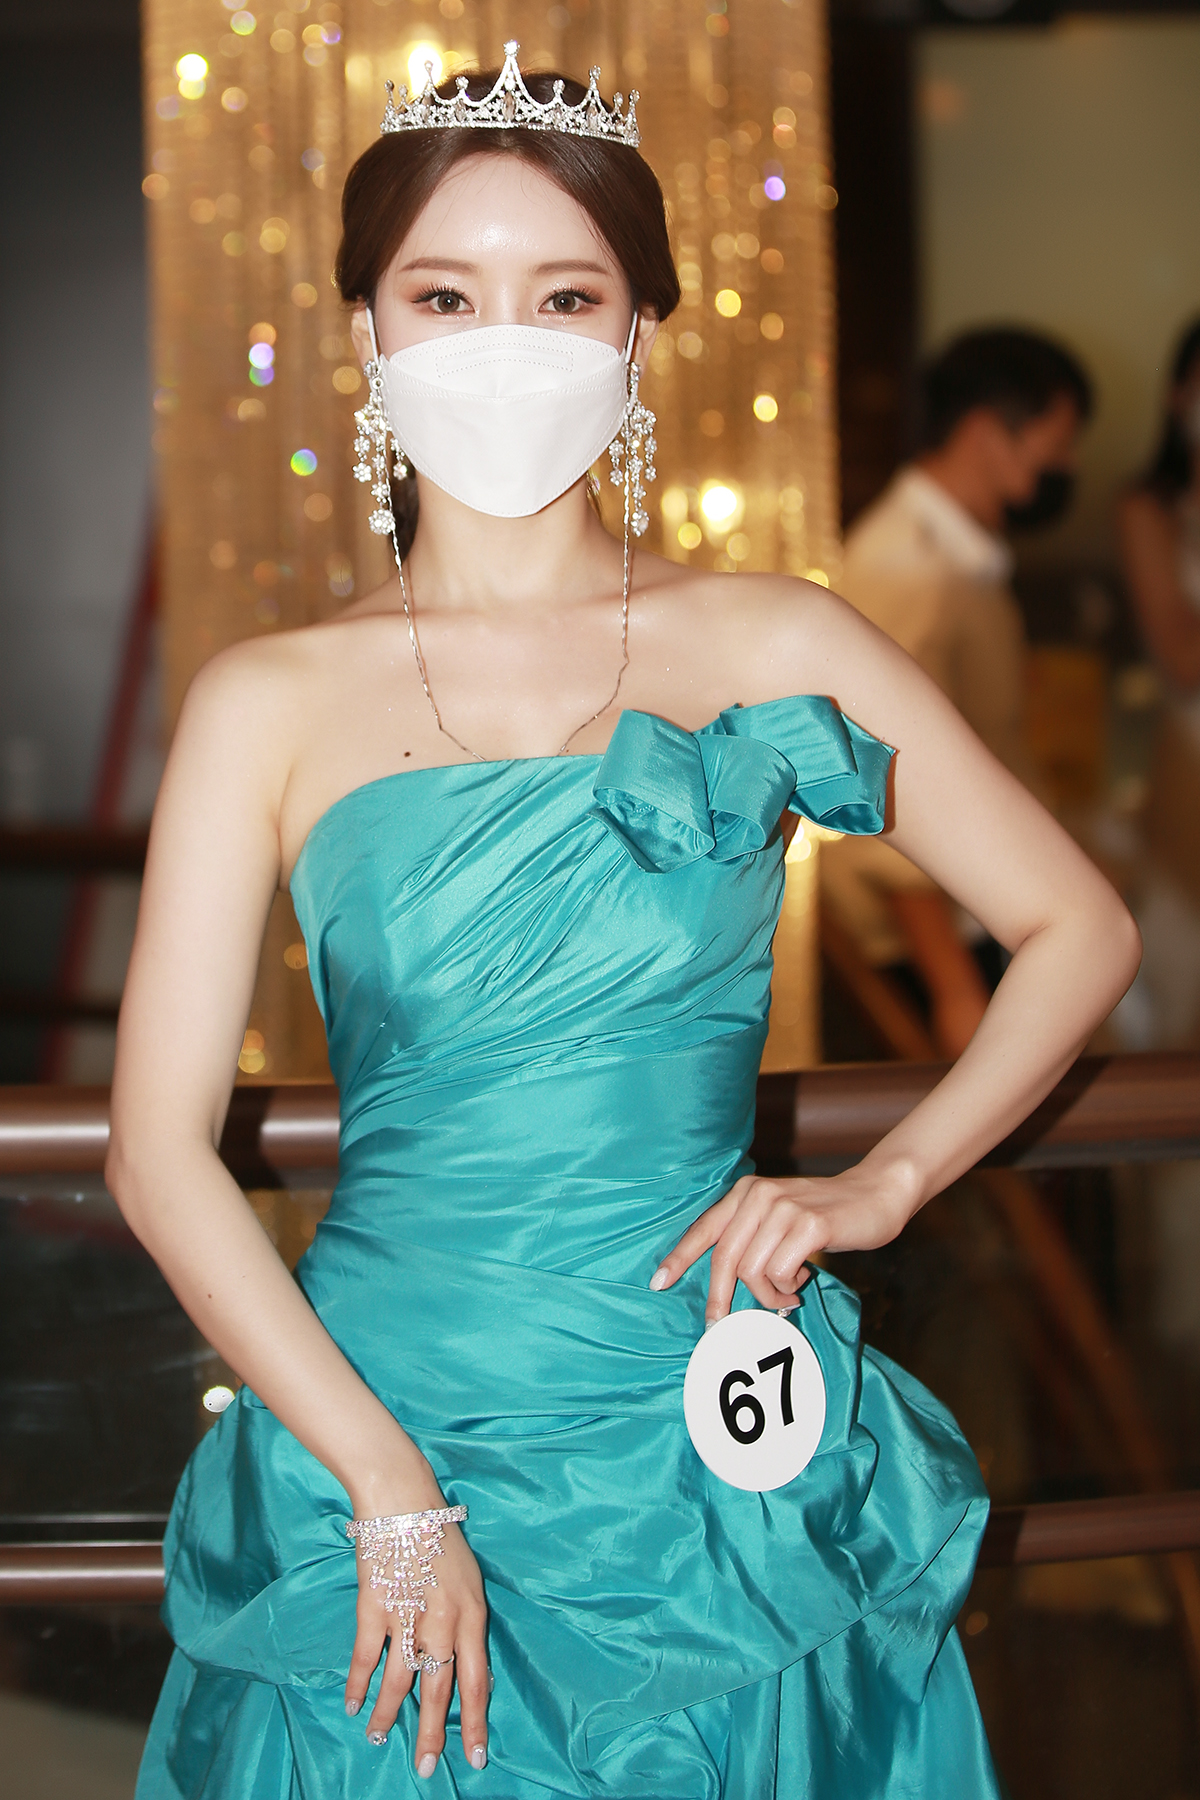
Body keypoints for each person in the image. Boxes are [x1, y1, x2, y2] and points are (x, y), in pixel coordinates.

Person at [108, 52, 1138, 1799]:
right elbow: (155, 1151)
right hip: (385, 1420)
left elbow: (1079, 928)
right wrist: (387, 1489)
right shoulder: (266, 700)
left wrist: (884, 1182)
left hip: (698, 1438)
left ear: (641, 332)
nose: (504, 342)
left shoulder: (773, 639)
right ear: (367, 331)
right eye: (447, 295)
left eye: (565, 295)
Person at [825, 328, 1093, 1055]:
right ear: (985, 433)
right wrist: (955, 990)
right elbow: (882, 784)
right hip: (936, 943)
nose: (1068, 466)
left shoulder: (960, 559)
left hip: (976, 915)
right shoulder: (910, 570)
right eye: (1058, 443)